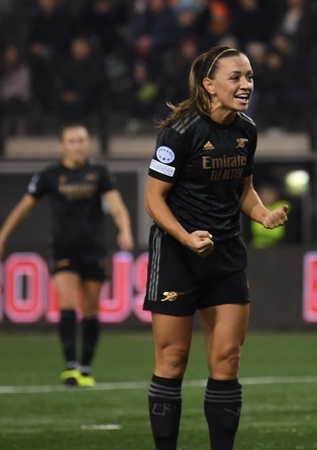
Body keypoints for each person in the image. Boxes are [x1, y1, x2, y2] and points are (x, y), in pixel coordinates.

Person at [142, 45, 288, 450]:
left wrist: (263, 215)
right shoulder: (180, 131)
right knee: (172, 360)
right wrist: (186, 237)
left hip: (225, 253)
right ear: (209, 85)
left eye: (250, 77)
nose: (246, 85)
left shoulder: (246, 130)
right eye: (236, 77)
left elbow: (244, 190)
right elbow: (154, 199)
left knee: (227, 360)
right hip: (177, 254)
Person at [0, 123, 134, 387]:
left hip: (94, 248)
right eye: (72, 141)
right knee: (67, 303)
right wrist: (3, 236)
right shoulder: (50, 175)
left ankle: (85, 366)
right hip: (63, 248)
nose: (78, 145)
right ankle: (71, 365)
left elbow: (117, 205)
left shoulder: (99, 173)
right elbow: (23, 208)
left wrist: (124, 230)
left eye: (82, 140)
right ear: (63, 145)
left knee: (91, 308)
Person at [250, 183, 290, 248]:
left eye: (269, 193)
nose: (267, 196)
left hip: (280, 246)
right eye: (264, 193)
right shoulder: (254, 208)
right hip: (257, 247)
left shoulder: (284, 206)